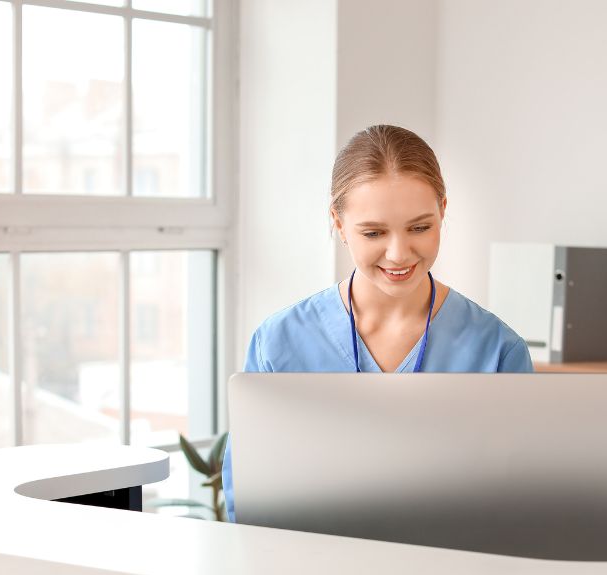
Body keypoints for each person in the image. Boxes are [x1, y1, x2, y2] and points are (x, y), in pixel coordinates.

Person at [221, 124, 533, 523]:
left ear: (443, 210)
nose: (399, 254)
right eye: (373, 232)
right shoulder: (279, 343)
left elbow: (520, 505)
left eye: (420, 227)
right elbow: (248, 499)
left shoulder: (498, 351)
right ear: (338, 223)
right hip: (307, 574)